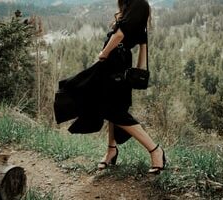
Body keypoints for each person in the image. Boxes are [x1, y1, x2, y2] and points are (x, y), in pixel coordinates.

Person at [54, 0, 166, 174]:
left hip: (115, 64)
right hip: (110, 64)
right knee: (109, 107)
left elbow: (121, 35)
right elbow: (142, 41)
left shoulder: (140, 4)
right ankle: (111, 150)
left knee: (114, 110)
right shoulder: (130, 5)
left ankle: (155, 150)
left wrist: (104, 54)